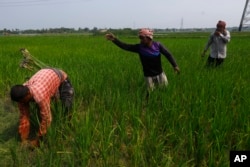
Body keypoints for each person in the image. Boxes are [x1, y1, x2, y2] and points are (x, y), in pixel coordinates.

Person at [10, 68, 74, 148]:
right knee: (41, 107)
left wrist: (38, 139)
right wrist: (24, 138)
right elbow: (24, 116)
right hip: (45, 78)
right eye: (19, 102)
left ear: (28, 94)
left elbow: (47, 119)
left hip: (60, 77)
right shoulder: (21, 93)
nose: (21, 103)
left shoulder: (40, 96)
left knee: (66, 106)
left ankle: (68, 127)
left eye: (23, 101)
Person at [105, 28, 180, 91]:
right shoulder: (140, 48)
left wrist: (175, 66)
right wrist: (114, 40)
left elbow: (168, 54)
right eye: (139, 38)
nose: (140, 40)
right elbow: (125, 46)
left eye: (142, 38)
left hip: (160, 74)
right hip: (148, 76)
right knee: (150, 93)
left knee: (164, 91)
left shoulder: (158, 45)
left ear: (149, 37)